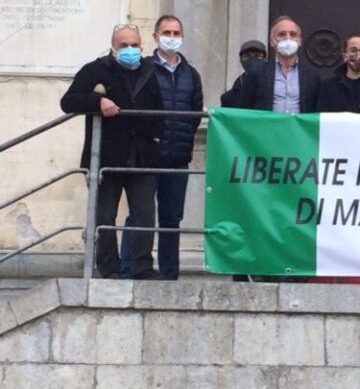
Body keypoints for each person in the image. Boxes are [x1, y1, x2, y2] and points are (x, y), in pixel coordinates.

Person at [60, 24, 164, 279]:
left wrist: (157, 137)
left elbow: (159, 108)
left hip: (142, 158)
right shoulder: (95, 70)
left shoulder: (149, 72)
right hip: (106, 157)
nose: (130, 50)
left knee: (145, 215)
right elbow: (68, 101)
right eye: (124, 45)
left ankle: (142, 267)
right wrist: (98, 101)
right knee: (104, 215)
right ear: (113, 48)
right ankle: (109, 268)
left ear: (142, 47)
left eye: (134, 45)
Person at [120, 15, 203, 280]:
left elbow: (196, 112)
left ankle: (169, 275)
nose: (171, 36)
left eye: (176, 32)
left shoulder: (191, 73)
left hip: (177, 156)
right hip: (146, 156)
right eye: (166, 31)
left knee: (171, 220)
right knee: (139, 216)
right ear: (155, 36)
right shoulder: (142, 69)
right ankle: (128, 269)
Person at [236, 16, 321, 112]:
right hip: (267, 126)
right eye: (282, 34)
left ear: (300, 41)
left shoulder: (312, 76)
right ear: (272, 41)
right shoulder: (257, 73)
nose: (288, 38)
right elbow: (244, 109)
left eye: (293, 34)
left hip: (298, 127)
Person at [220, 39, 267, 107]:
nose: (252, 60)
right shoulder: (228, 97)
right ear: (240, 60)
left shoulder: (274, 87)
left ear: (265, 59)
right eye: (247, 56)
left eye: (257, 56)